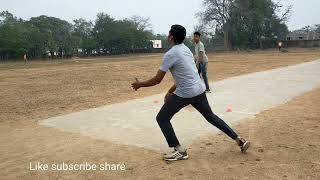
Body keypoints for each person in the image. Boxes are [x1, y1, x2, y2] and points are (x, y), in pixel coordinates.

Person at [131, 25, 250, 161]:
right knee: (210, 116)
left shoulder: (170, 54)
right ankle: (239, 140)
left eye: (169, 33)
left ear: (171, 36)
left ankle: (180, 151)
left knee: (162, 118)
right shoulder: (186, 49)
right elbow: (187, 75)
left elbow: (158, 80)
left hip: (186, 93)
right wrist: (170, 92)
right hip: (199, 89)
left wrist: (140, 84)